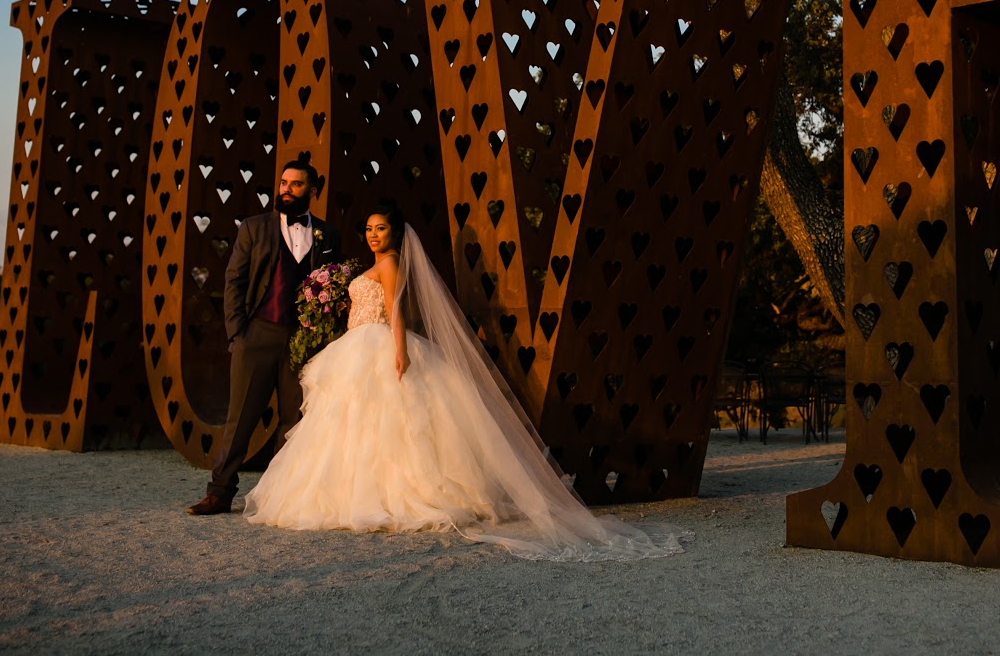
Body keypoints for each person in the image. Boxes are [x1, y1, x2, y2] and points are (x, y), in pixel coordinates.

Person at [242, 202, 683, 561]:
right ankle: (351, 491)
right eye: (370, 229)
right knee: (356, 422)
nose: (374, 235)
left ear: (395, 234)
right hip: (356, 342)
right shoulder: (372, 264)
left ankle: (390, 495)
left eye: (381, 229)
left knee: (388, 422)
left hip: (377, 341)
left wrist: (399, 349)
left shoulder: (391, 263)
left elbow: (395, 308)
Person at [187, 158, 341, 515]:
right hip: (257, 334)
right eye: (283, 183)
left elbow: (331, 285)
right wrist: (238, 334)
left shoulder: (328, 235)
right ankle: (219, 493)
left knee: (294, 420)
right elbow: (234, 281)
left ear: (312, 191)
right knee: (240, 418)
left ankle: (280, 498)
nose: (286, 189)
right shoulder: (254, 228)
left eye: (295, 185)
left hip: (302, 341)